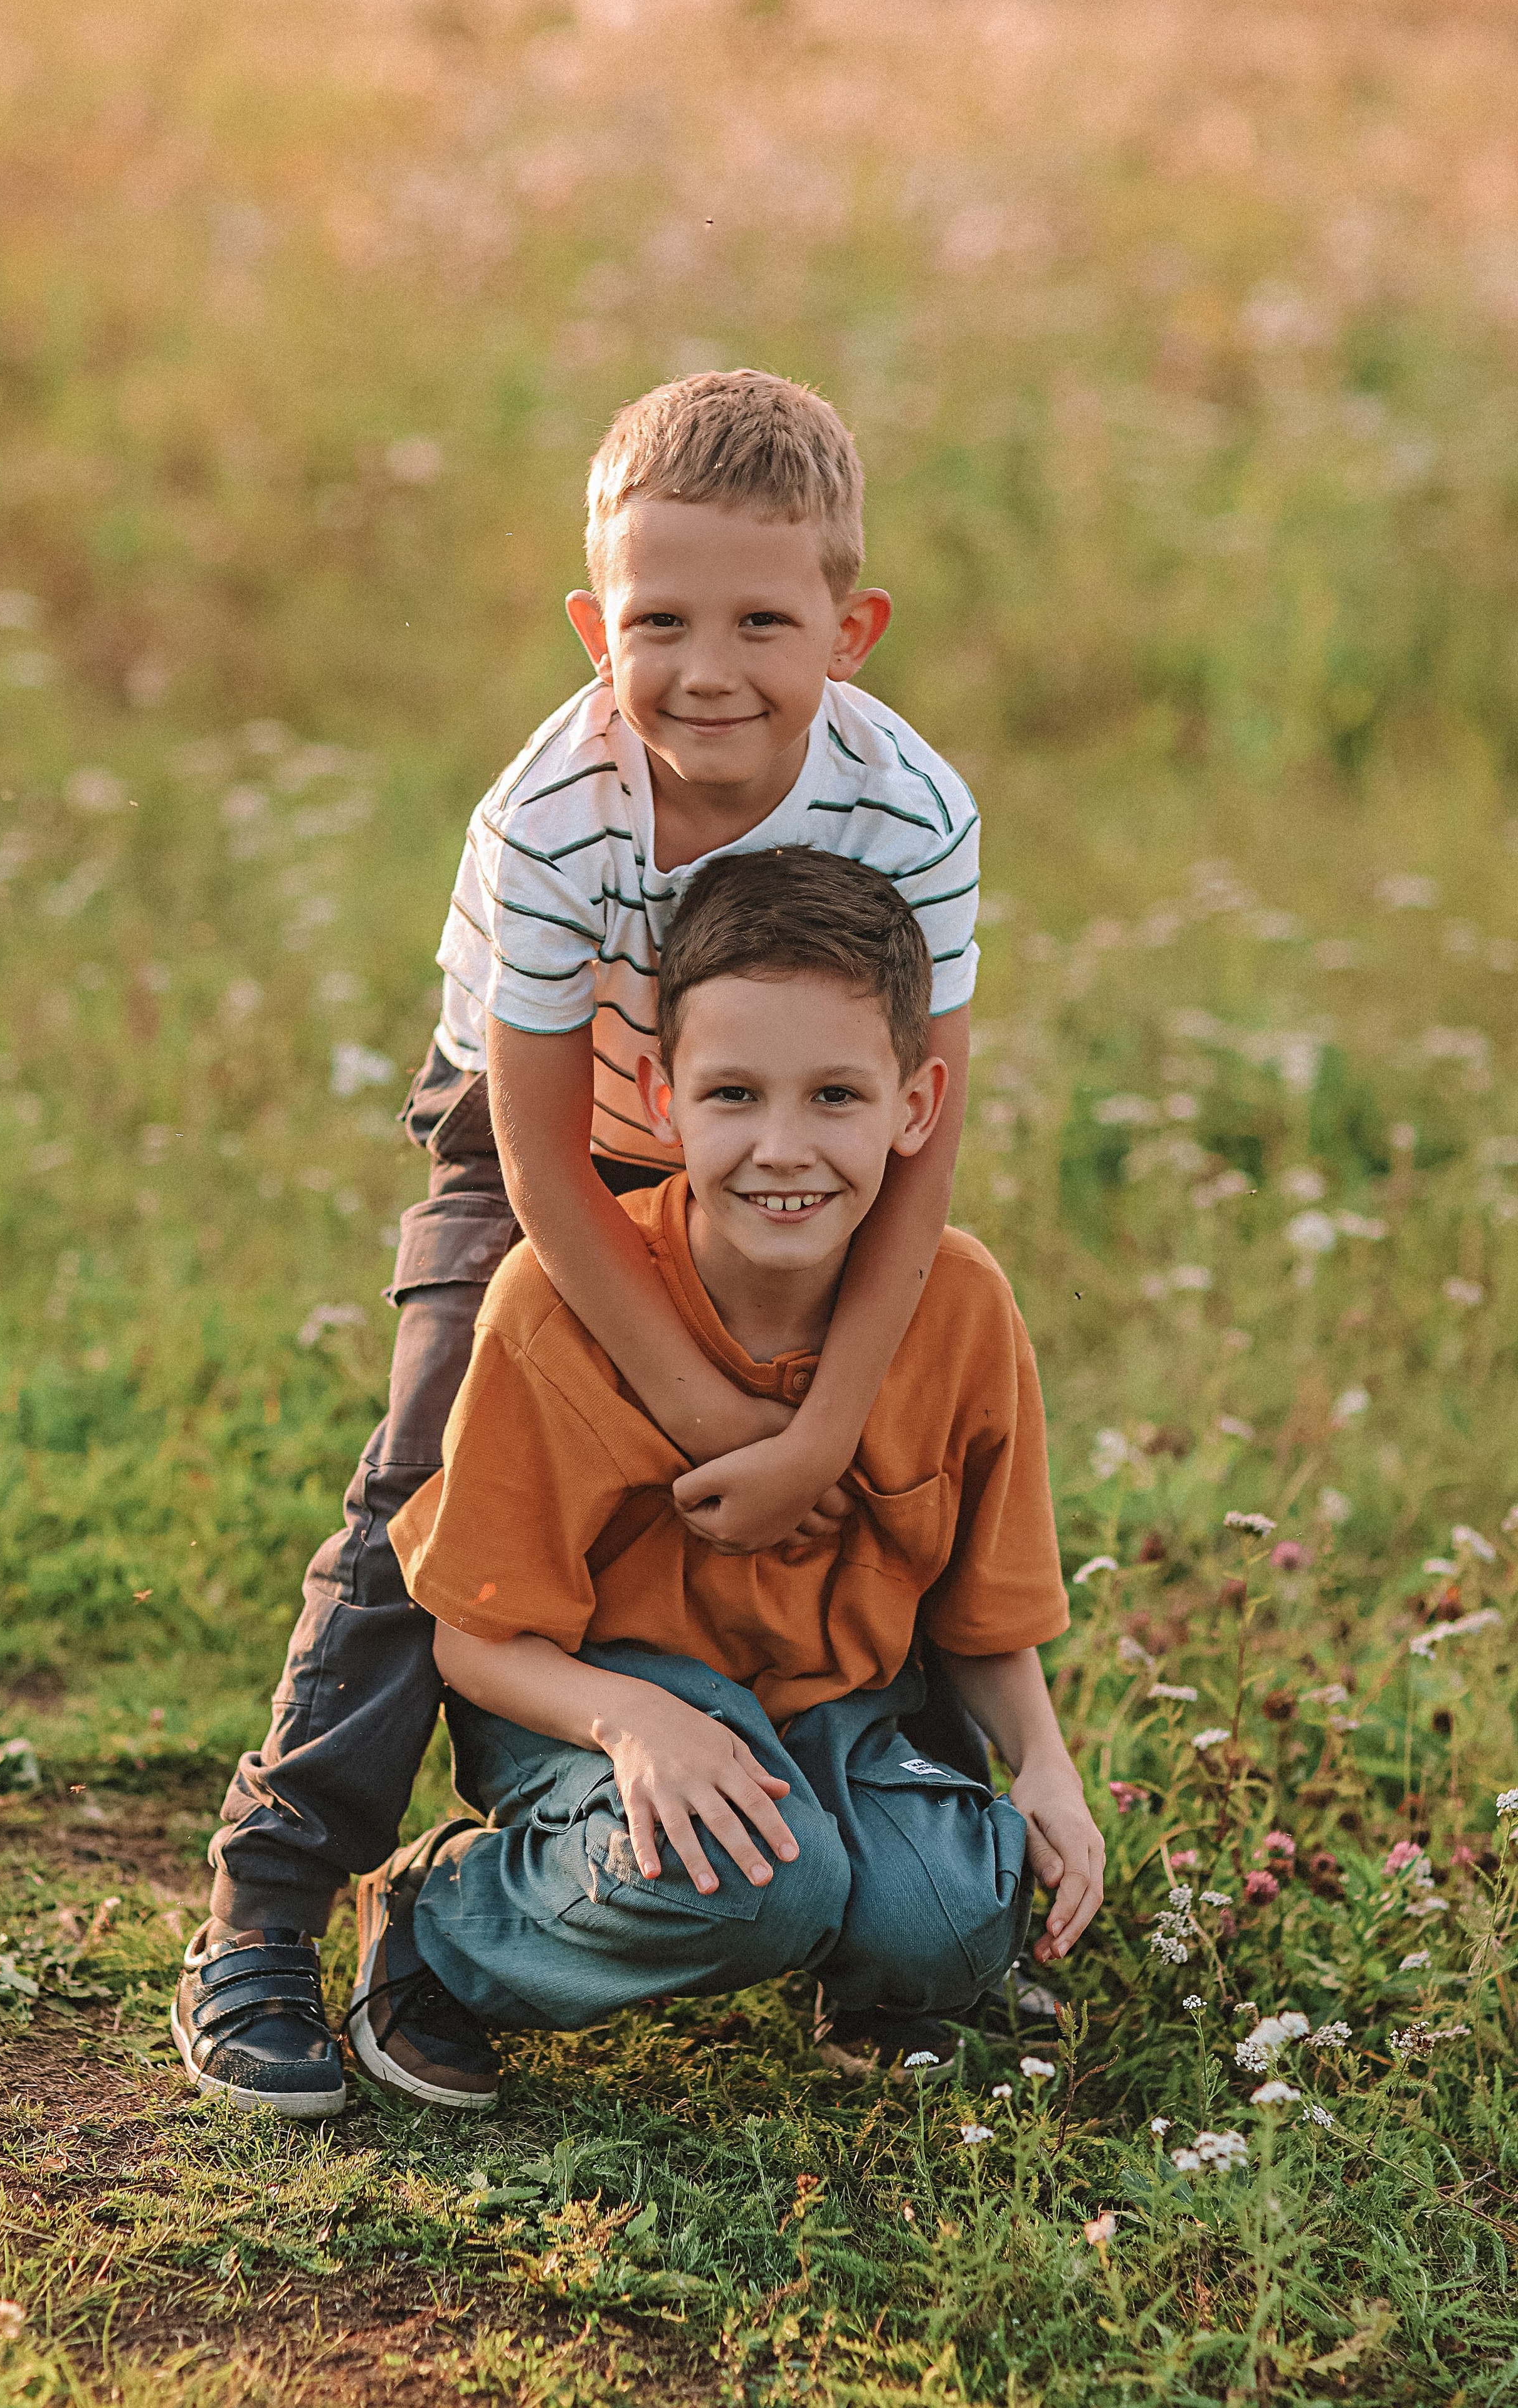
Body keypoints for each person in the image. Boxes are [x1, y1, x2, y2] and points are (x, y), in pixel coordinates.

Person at [174, 371, 992, 2117]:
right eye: (659, 620)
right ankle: (271, 1906)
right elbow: (547, 1171)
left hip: (779, 1126)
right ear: (590, 622)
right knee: (425, 1483)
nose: (710, 666)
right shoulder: (556, 816)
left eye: (764, 619)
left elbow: (921, 1141)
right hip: (547, 1129)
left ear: (851, 629)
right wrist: (711, 1417)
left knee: (872, 1427)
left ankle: (880, 1856)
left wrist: (824, 1425)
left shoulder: (912, 812)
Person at [340, 848, 1102, 2108]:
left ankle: (860, 1960)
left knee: (963, 1919)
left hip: (833, 1714)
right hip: (588, 1702)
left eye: (836, 1098)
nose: (782, 1149)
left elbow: (981, 1617)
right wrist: (633, 1722)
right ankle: (442, 1919)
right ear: (659, 1095)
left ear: (916, 1107)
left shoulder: (957, 1303)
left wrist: (1046, 1769)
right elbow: (474, 1642)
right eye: (734, 1094)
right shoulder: (556, 1306)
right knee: (761, 1883)